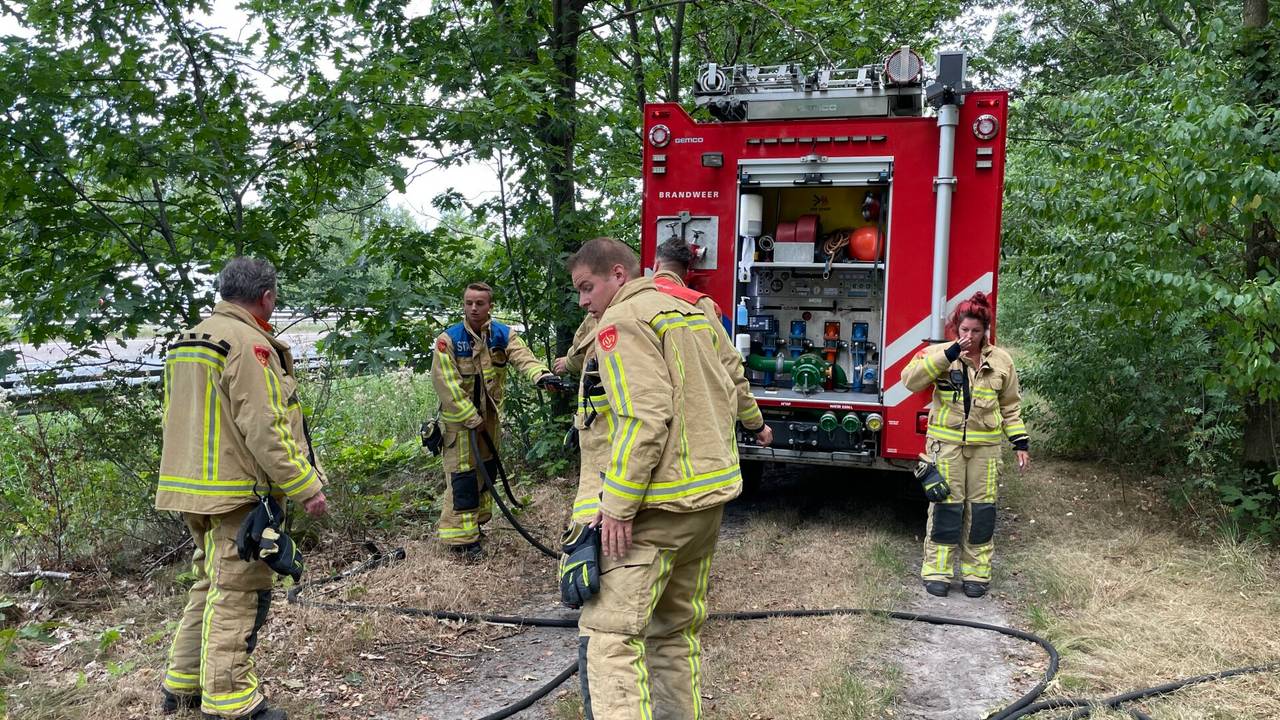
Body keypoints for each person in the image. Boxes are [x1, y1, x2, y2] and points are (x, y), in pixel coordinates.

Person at [565, 237, 745, 720]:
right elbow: (731, 383)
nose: (584, 301)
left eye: (587, 287)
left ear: (618, 275)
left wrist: (617, 506)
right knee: (672, 634)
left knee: (611, 639)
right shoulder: (686, 310)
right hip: (704, 504)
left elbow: (644, 417)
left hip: (656, 510)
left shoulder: (622, 322)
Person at [156, 257, 327, 720]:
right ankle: (230, 702)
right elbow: (264, 427)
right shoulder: (249, 343)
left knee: (209, 583)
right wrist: (305, 485)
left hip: (190, 488)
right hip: (237, 492)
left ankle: (183, 686)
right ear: (267, 297)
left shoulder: (189, 338)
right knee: (239, 593)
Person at [901, 291, 1030, 599]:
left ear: (985, 330)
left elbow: (1010, 406)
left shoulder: (1002, 361)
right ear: (955, 329)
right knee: (946, 507)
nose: (969, 337)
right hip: (945, 446)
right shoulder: (939, 354)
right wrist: (947, 356)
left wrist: (1020, 443)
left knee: (981, 511)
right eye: (964, 331)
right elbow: (910, 380)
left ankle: (976, 574)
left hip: (985, 450)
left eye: (975, 331)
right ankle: (938, 573)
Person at [431, 282, 557, 559]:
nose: (473, 308)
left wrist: (542, 376)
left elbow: (523, 358)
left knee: (485, 473)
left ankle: (476, 525)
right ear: (463, 305)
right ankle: (460, 540)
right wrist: (469, 417)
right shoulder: (448, 340)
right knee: (462, 478)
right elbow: (446, 384)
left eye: (480, 303)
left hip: (489, 421)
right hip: (460, 425)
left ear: (490, 306)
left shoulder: (502, 335)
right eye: (468, 303)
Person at [652, 237, 772, 448]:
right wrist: (756, 424)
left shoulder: (625, 302)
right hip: (687, 424)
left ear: (656, 265)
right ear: (687, 272)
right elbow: (730, 368)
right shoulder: (701, 306)